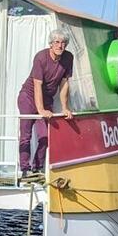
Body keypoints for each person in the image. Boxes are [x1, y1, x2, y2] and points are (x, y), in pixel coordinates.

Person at [17, 29, 73, 177]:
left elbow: (64, 84)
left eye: (63, 43)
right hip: (28, 97)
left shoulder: (68, 58)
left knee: (45, 136)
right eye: (57, 42)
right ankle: (24, 169)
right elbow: (37, 85)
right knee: (26, 134)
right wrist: (40, 110)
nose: (60, 46)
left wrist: (65, 107)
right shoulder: (40, 57)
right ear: (50, 44)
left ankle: (37, 168)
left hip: (47, 98)